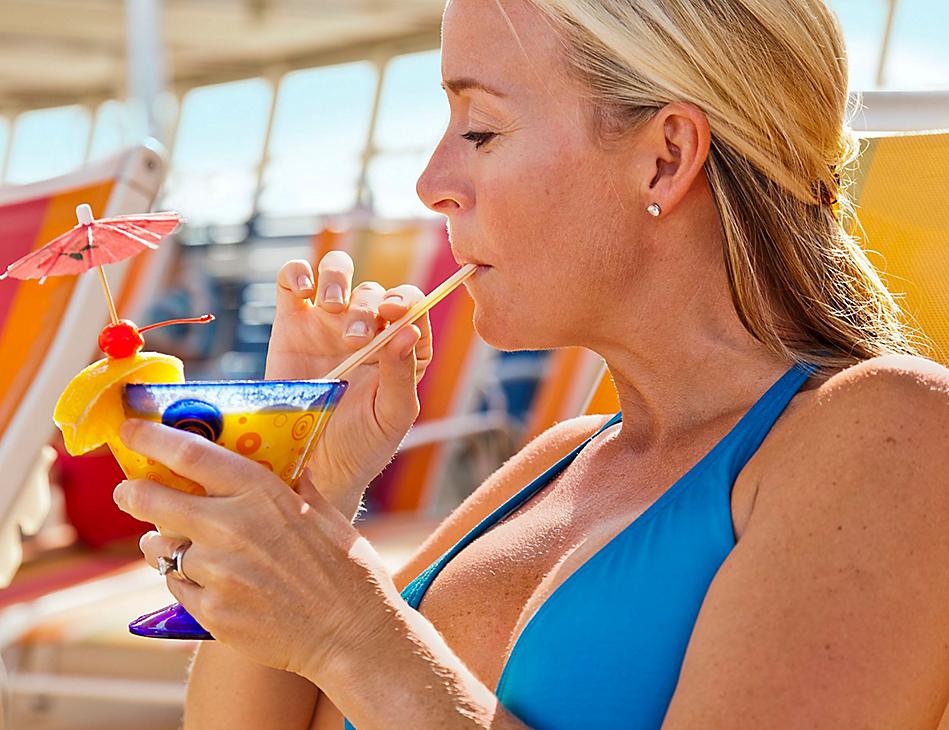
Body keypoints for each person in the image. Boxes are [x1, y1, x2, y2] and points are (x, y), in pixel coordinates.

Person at [113, 0, 949, 727]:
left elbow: (367, 657)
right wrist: (309, 483)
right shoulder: (553, 465)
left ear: (665, 155)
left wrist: (354, 635)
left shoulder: (894, 435)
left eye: (479, 130)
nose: (432, 182)